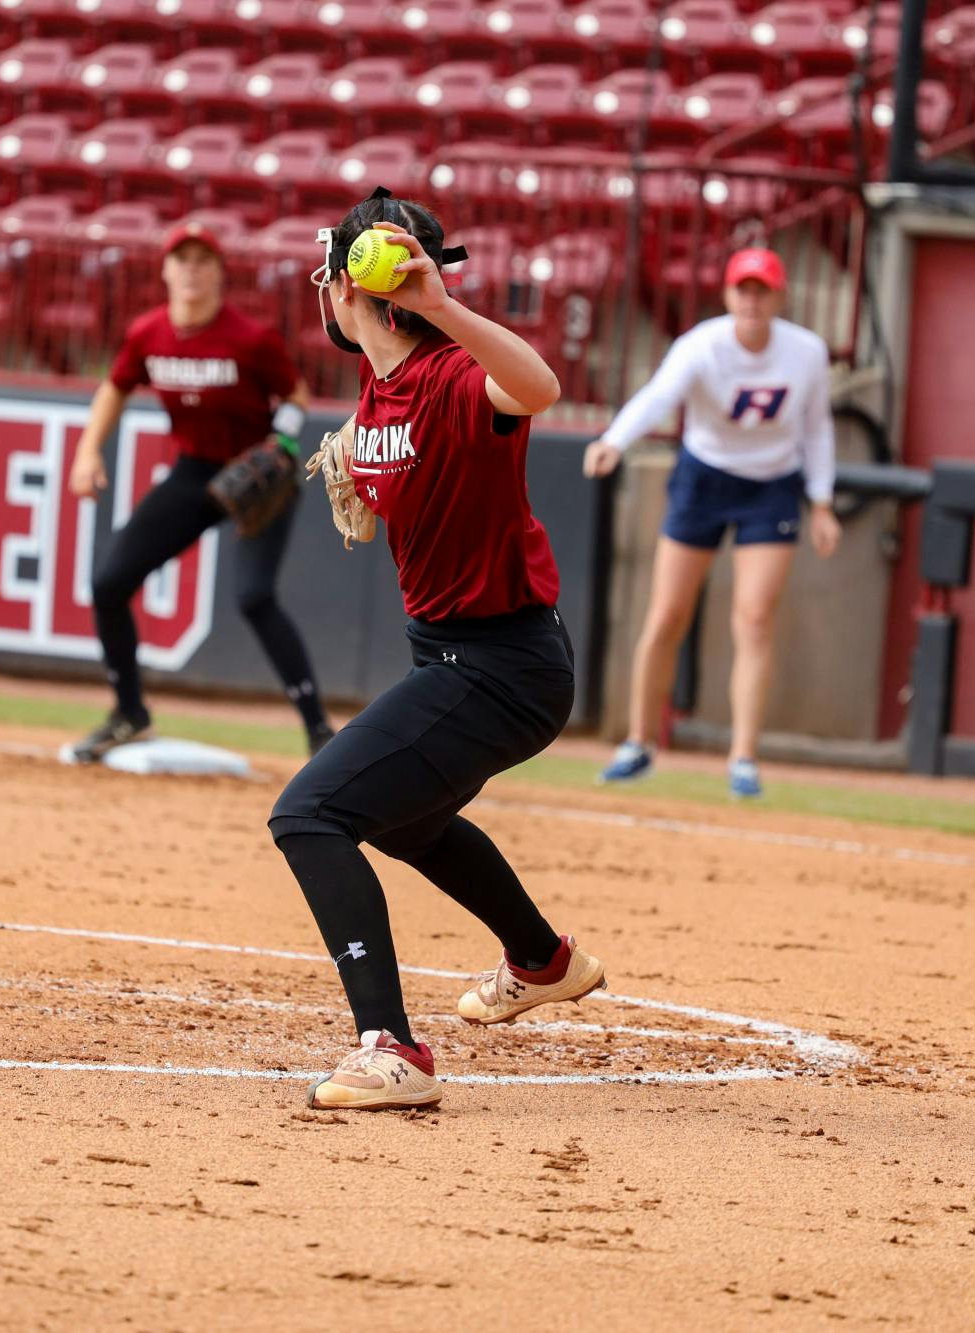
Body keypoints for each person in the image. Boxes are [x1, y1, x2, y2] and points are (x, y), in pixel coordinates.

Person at [268, 190, 607, 1111]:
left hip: (501, 665)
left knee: (311, 815)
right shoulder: (383, 386)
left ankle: (391, 1050)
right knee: (405, 819)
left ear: (347, 288)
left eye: (327, 274)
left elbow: (537, 390)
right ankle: (542, 959)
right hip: (459, 658)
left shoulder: (453, 370)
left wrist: (440, 307)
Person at [65, 219, 334, 762]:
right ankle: (129, 714)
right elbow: (114, 388)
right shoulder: (149, 334)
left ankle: (318, 731)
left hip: (260, 474)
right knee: (110, 582)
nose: (191, 270)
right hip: (195, 473)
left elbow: (296, 394)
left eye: (203, 261)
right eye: (181, 260)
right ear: (164, 270)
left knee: (254, 597)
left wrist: (282, 441)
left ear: (219, 273)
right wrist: (88, 449)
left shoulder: (250, 339)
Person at [584, 248, 840, 798]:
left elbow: (817, 428)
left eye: (762, 290)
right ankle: (638, 742)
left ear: (779, 296)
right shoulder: (701, 345)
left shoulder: (806, 353)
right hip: (704, 477)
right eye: (742, 289)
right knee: (668, 614)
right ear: (727, 295)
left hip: (772, 485)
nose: (752, 300)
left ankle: (743, 757)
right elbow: (659, 397)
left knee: (753, 617)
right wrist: (615, 440)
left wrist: (821, 502)